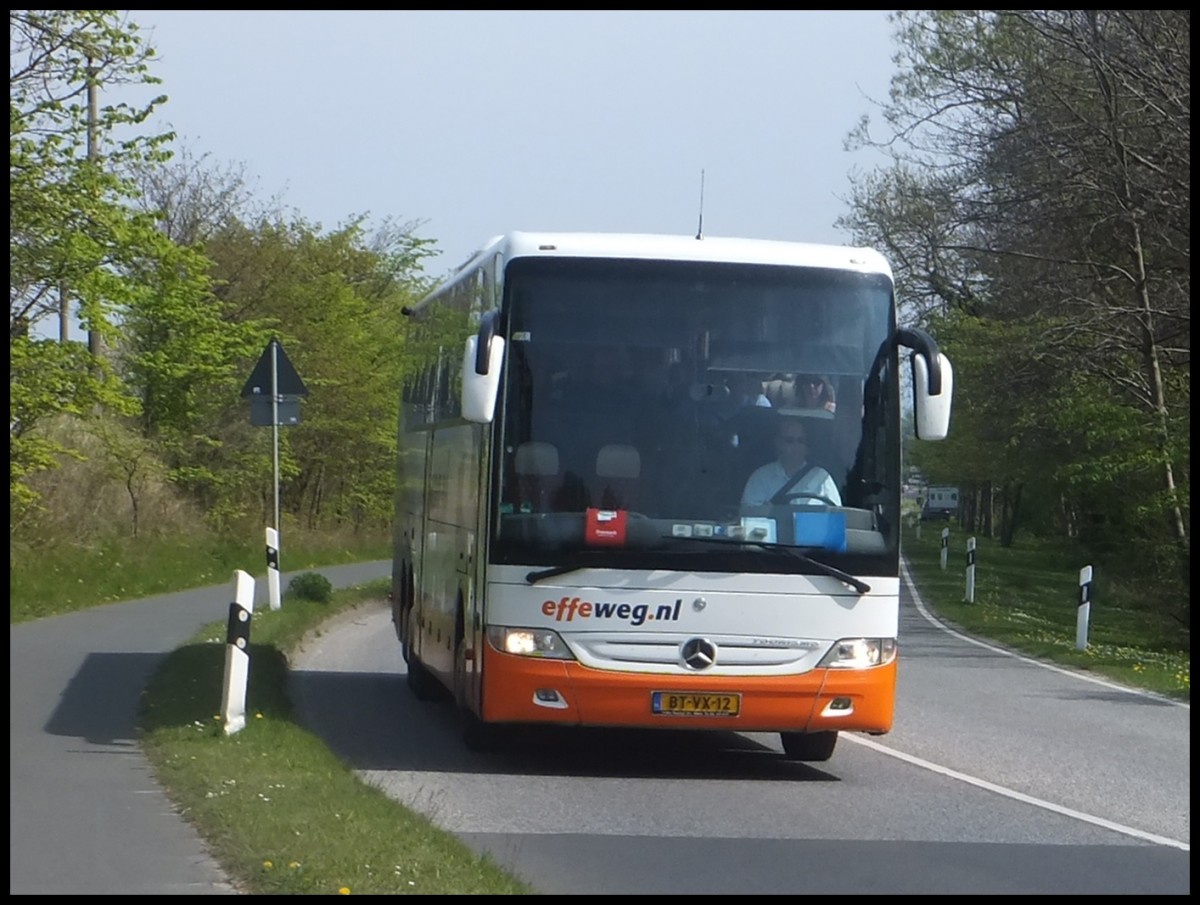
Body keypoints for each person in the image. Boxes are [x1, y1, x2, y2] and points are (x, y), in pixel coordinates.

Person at [741, 416, 841, 507]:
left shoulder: (822, 477)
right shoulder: (761, 478)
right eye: (790, 440)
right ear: (778, 443)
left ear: (807, 447)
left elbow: (837, 515)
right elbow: (749, 517)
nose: (795, 446)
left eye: (801, 441)